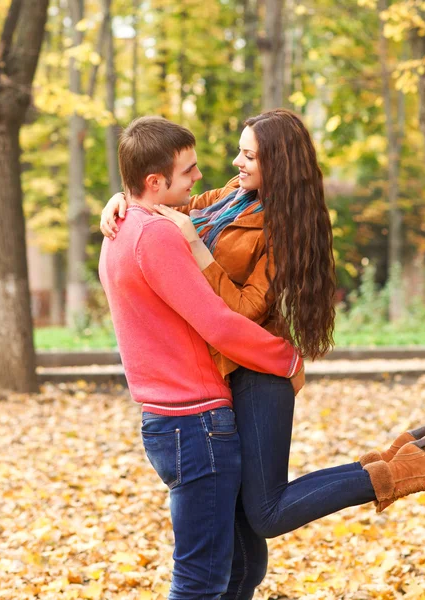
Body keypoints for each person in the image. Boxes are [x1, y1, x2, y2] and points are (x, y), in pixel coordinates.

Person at [100, 110, 425, 599]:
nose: (235, 161)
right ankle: (394, 460)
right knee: (246, 559)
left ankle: (403, 470)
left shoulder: (280, 227)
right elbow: (160, 200)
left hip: (260, 367)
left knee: (267, 512)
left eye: (249, 155)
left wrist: (195, 246)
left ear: (277, 164)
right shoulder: (228, 200)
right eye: (240, 149)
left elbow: (238, 309)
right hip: (225, 376)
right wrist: (121, 202)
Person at [99, 116, 304, 600]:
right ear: (155, 181)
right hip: (195, 423)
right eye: (188, 170)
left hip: (172, 418)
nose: (200, 178)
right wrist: (287, 359)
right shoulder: (159, 235)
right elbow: (220, 322)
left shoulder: (124, 226)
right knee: (201, 581)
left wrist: (123, 198)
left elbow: (171, 201)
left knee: (243, 569)